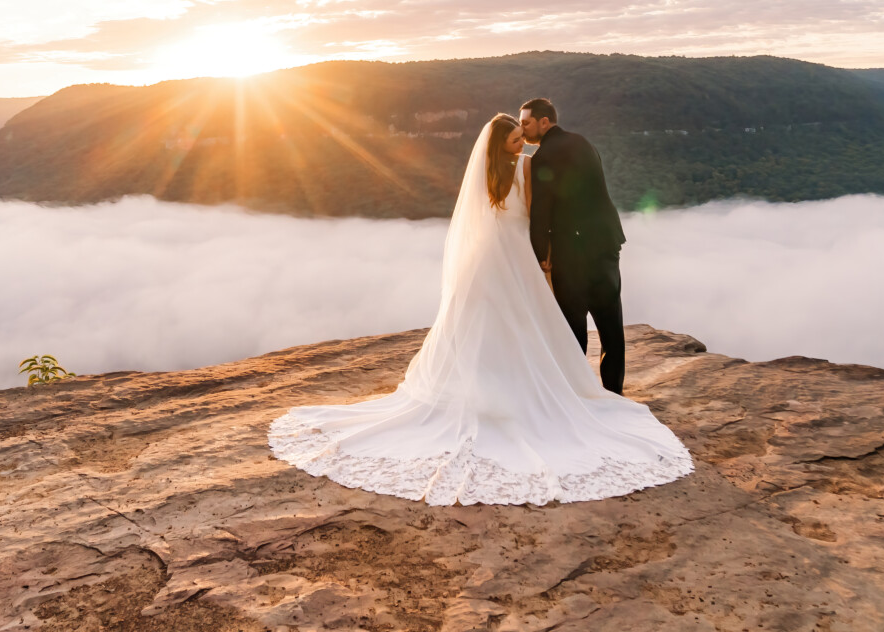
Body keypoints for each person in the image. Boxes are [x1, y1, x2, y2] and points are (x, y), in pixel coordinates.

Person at [267, 113, 691, 506]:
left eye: (522, 132)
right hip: (517, 257)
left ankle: (481, 389)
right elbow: (540, 213)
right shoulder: (526, 165)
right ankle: (524, 390)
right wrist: (548, 258)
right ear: (504, 145)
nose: (522, 138)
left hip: (486, 259)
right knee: (523, 323)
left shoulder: (486, 174)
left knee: (482, 324)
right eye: (515, 136)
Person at [520, 98, 627, 394]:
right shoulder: (584, 143)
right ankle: (614, 391)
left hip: (571, 248)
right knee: (610, 324)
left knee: (573, 326)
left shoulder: (544, 155)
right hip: (606, 243)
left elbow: (542, 210)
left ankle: (578, 393)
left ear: (545, 122)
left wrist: (540, 254)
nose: (523, 128)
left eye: (526, 122)